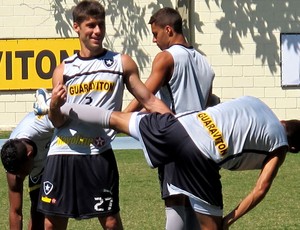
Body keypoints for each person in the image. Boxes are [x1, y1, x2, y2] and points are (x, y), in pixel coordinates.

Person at [49, 84, 300, 230]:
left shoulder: (256, 101)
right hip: (200, 154)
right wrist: (228, 220)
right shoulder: (279, 146)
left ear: (284, 120)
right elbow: (259, 190)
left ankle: (53, 106)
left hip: (178, 124)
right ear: (293, 148)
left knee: (113, 118)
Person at [36, 1, 170, 230]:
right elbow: (57, 121)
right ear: (76, 27)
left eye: (101, 25)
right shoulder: (63, 69)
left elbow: (149, 100)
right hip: (63, 152)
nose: (97, 31)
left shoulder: (121, 63)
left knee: (110, 222)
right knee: (51, 224)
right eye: (91, 25)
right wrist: (54, 107)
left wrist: (175, 122)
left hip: (98, 153)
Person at [123, 7, 217, 229]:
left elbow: (145, 96)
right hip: (203, 142)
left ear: (168, 29)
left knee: (175, 199)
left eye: (155, 34)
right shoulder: (206, 64)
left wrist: (120, 118)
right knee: (196, 202)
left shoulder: (166, 58)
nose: (154, 39)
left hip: (176, 139)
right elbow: (208, 102)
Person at [0, 109, 54, 230]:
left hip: (55, 154)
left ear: (30, 155)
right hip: (39, 162)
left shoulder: (43, 125)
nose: (19, 177)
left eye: (22, 173)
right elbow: (15, 212)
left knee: (45, 208)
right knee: (37, 204)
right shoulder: (14, 165)